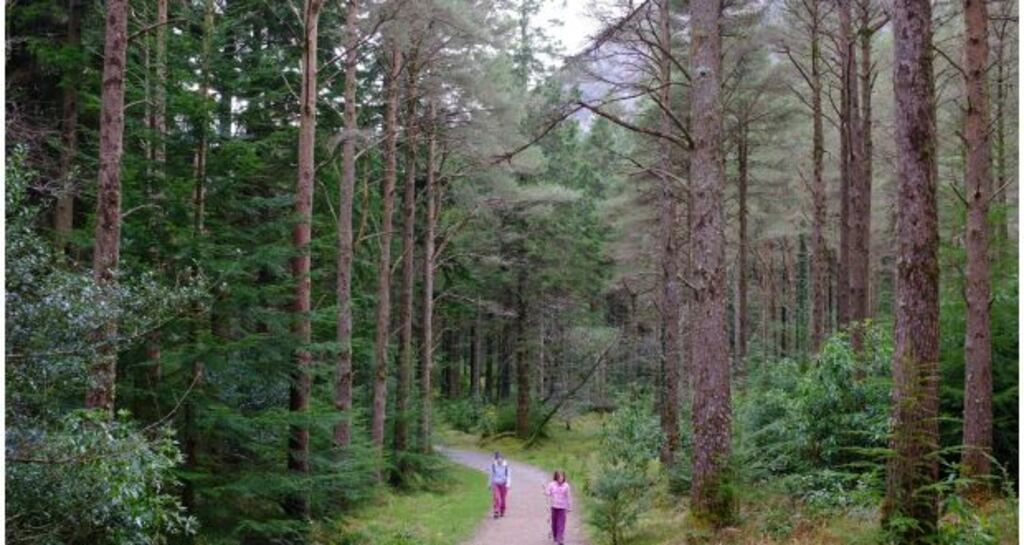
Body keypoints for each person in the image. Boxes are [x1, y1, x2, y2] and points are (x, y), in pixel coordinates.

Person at [544, 470, 572, 544]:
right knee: (554, 523)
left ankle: (559, 538)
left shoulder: (566, 486)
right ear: (556, 477)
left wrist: (569, 507)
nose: (560, 478)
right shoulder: (552, 484)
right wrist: (546, 492)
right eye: (559, 477)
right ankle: (555, 537)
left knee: (561, 523)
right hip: (554, 506)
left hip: (562, 507)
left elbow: (568, 497)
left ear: (564, 477)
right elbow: (548, 493)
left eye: (562, 477)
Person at [487, 451, 511, 518]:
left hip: (504, 484)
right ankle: (496, 511)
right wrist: (489, 484)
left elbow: (508, 476)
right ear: (496, 459)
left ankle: (502, 510)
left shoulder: (506, 466)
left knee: (503, 499)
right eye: (497, 458)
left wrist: (508, 484)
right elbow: (491, 475)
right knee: (497, 497)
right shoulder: (493, 466)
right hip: (496, 483)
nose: (499, 460)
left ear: (503, 459)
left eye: (500, 458)